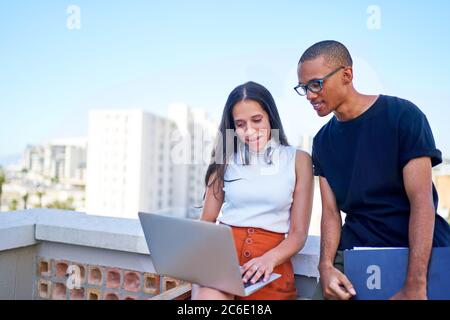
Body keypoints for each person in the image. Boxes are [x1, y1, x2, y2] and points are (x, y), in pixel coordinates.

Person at [294, 40, 450, 300]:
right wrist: (326, 266)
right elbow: (331, 214)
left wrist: (415, 284)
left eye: (316, 84)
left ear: (347, 75)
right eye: (303, 88)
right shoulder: (322, 141)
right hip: (357, 253)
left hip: (418, 253)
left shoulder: (403, 116)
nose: (309, 95)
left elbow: (422, 203)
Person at [191, 81, 314, 300]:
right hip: (222, 265)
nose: (249, 131)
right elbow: (206, 221)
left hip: (271, 269)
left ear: (270, 117)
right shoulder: (224, 159)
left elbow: (298, 234)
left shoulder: (298, 160)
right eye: (240, 124)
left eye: (257, 120)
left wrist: (268, 260)